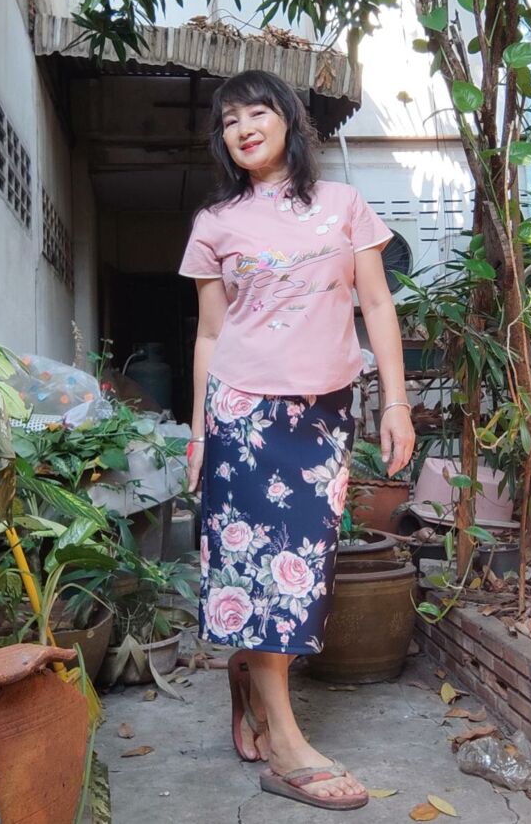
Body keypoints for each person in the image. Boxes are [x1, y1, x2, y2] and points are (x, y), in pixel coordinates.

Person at [179, 69, 415, 811]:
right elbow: (210, 334)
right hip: (242, 411)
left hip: (323, 414)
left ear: (287, 119)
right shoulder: (216, 222)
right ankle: (285, 744)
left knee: (304, 566)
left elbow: (376, 304)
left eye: (256, 112)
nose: (243, 128)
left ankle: (251, 680)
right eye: (228, 121)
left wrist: (396, 402)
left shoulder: (344, 206)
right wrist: (199, 432)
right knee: (260, 565)